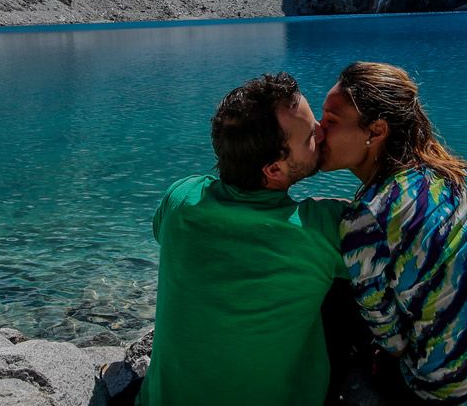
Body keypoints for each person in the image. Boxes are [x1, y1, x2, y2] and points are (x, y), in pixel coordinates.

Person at [316, 62, 467, 406]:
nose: (318, 130)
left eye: (330, 121)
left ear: (376, 131)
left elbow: (391, 341)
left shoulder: (368, 217)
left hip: (461, 397)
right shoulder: (457, 175)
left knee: (333, 295)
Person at [141, 73, 349, 406]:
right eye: (311, 135)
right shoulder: (320, 230)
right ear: (274, 170)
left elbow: (163, 234)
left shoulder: (180, 199)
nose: (323, 132)